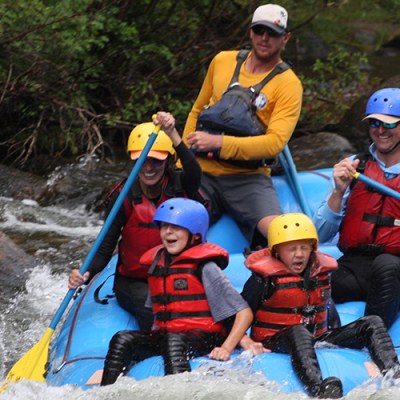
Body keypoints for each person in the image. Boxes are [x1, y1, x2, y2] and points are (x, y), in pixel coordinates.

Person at [240, 213, 400, 399]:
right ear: (277, 251)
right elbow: (240, 313)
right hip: (276, 339)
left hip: (316, 336)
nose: (299, 254)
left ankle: (394, 373)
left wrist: (341, 334)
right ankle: (318, 387)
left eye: (304, 248)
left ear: (312, 249)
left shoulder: (320, 273)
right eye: (292, 249)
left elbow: (328, 309)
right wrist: (245, 340)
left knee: (372, 322)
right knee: (298, 331)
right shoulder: (263, 280)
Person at [68, 112, 203, 331]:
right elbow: (106, 245)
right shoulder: (123, 196)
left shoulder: (180, 184)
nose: (148, 168)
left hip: (177, 274)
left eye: (155, 161)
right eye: (142, 160)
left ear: (167, 160)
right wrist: (84, 274)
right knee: (154, 308)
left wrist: (172, 134)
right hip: (135, 282)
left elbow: (194, 170)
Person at [182, 4, 303, 244]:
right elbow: (197, 110)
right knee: (168, 226)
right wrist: (182, 161)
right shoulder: (222, 61)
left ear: (285, 38)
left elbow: (274, 144)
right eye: (259, 31)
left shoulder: (289, 84)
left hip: (248, 178)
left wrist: (219, 143)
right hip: (202, 173)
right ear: (251, 32)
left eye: (273, 33)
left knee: (283, 237)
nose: (265, 38)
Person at [100, 198, 252, 385]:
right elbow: (156, 314)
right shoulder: (157, 264)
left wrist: (227, 348)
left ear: (195, 235)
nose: (168, 232)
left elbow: (244, 313)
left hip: (204, 337)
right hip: (169, 336)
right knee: (122, 338)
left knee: (174, 341)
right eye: (164, 226)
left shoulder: (205, 267)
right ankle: (107, 389)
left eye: (176, 227)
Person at [313, 87, 400, 328]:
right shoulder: (354, 169)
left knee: (388, 266)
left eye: (390, 124)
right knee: (310, 281)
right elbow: (319, 235)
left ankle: (373, 335)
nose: (380, 131)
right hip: (355, 265)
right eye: (374, 123)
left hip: (395, 268)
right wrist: (339, 191)